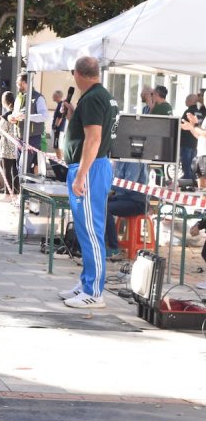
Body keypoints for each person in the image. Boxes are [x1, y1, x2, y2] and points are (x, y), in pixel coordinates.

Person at [58, 56, 119, 309]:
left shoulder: (94, 98)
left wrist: (81, 175)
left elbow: (93, 139)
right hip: (94, 167)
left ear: (79, 74)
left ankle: (94, 291)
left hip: (91, 169)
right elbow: (91, 133)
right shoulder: (102, 96)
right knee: (86, 230)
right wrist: (74, 115)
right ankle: (87, 284)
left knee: (91, 231)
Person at [104, 160, 148, 261]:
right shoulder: (117, 161)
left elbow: (128, 186)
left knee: (105, 209)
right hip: (122, 197)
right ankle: (99, 242)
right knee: (97, 204)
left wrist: (106, 185)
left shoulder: (134, 162)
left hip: (136, 201)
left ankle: (113, 247)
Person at [9, 74, 48, 175]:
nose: (18, 86)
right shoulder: (19, 97)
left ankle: (26, 189)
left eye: (20, 83)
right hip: (19, 137)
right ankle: (23, 189)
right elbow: (15, 113)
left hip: (32, 138)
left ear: (27, 83)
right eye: (17, 83)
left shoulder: (38, 98)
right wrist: (11, 118)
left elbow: (44, 116)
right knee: (18, 165)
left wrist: (27, 116)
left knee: (23, 166)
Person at [0, 91, 20, 195]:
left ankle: (8, 192)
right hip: (17, 146)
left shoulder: (7, 115)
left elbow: (0, 130)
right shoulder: (18, 113)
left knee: (7, 170)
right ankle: (16, 190)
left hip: (7, 146)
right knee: (15, 170)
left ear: (4, 102)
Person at [180, 94, 206, 182]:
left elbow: (204, 133)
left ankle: (188, 179)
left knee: (187, 165)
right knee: (193, 167)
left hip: (188, 143)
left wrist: (193, 126)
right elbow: (200, 133)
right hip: (196, 144)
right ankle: (191, 180)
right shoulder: (201, 113)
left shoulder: (189, 111)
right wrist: (192, 127)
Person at [50, 89, 67, 160]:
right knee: (56, 146)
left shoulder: (61, 105)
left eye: (53, 96)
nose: (52, 97)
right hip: (57, 129)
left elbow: (60, 117)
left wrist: (55, 126)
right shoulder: (60, 105)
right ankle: (59, 160)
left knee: (57, 146)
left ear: (58, 96)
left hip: (58, 129)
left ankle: (60, 161)